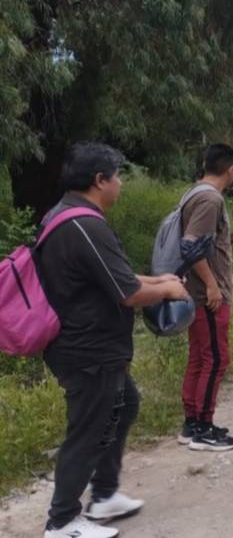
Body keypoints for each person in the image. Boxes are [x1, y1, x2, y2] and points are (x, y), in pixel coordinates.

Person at [38, 142, 189, 538]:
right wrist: (168, 290)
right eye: (117, 176)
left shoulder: (68, 215)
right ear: (99, 180)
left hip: (93, 348)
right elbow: (128, 294)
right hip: (88, 350)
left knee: (124, 406)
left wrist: (158, 279)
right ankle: (62, 521)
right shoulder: (84, 226)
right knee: (88, 429)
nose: (121, 183)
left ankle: (104, 495)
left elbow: (113, 277)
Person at [177, 144, 233, 451]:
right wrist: (212, 285)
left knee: (200, 357)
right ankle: (203, 428)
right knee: (215, 359)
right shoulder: (209, 198)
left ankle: (192, 423)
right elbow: (191, 247)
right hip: (208, 297)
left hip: (198, 293)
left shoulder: (194, 193)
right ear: (231, 169)